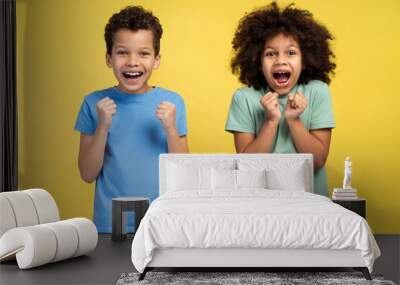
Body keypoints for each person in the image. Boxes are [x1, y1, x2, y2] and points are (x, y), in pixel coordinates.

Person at [74, 6, 188, 233]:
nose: (132, 62)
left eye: (143, 53)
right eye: (123, 52)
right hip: (110, 227)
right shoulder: (93, 103)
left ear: (156, 60)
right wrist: (103, 127)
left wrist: (171, 129)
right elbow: (87, 174)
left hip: (160, 224)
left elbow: (184, 174)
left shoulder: (173, 103)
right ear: (109, 58)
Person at [225, 2, 335, 196]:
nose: (280, 60)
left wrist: (294, 120)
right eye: (270, 54)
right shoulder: (244, 98)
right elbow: (247, 168)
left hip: (310, 202)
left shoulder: (318, 92)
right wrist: (271, 121)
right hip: (261, 202)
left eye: (291, 53)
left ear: (305, 59)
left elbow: (318, 161)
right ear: (258, 61)